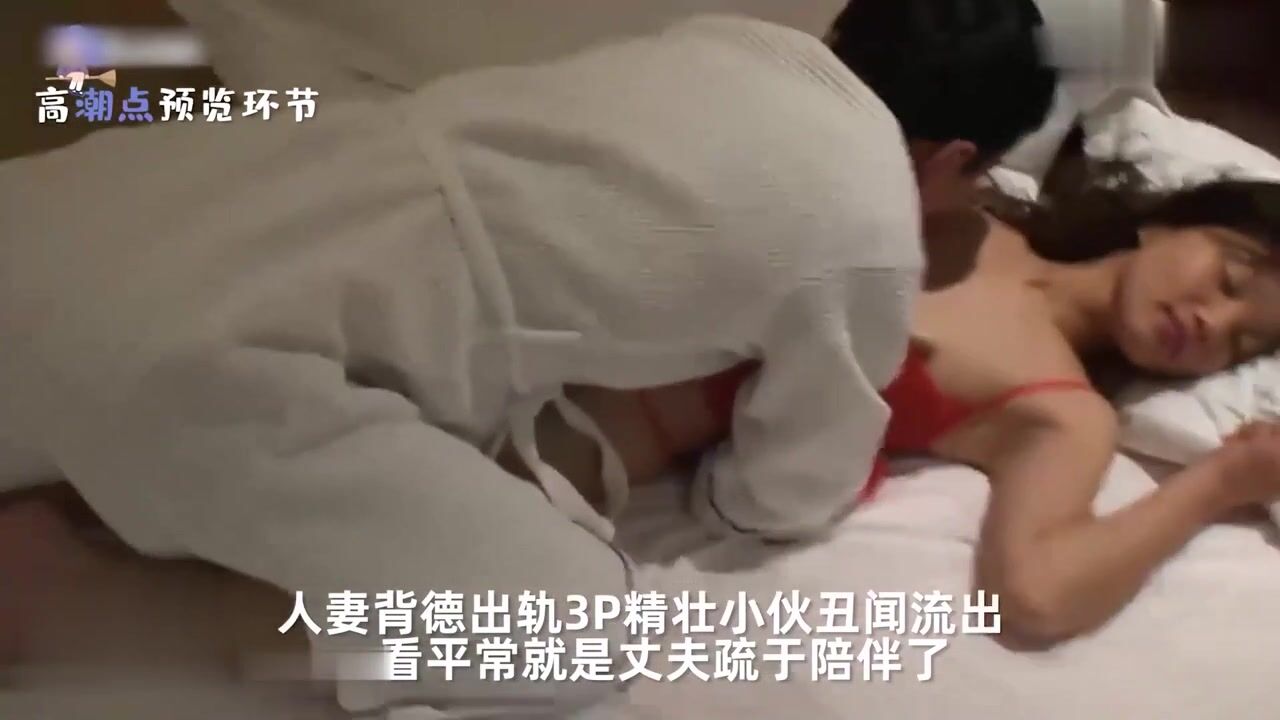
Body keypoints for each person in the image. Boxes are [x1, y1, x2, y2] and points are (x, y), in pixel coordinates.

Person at [0, 3, 1055, 712]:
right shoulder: (871, 234)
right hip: (210, 362)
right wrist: (723, 485)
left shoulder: (727, 43)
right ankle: (90, 605)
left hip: (124, 204)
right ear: (954, 158)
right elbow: (784, 492)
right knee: (580, 635)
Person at [507, 167, 1280, 645]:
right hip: (546, 285)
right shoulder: (973, 205)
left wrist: (1219, 483)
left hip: (558, 433)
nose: (1213, 322)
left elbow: (1038, 595)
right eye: (1232, 280)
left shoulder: (1067, 412)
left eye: (1242, 342)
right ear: (1170, 219)